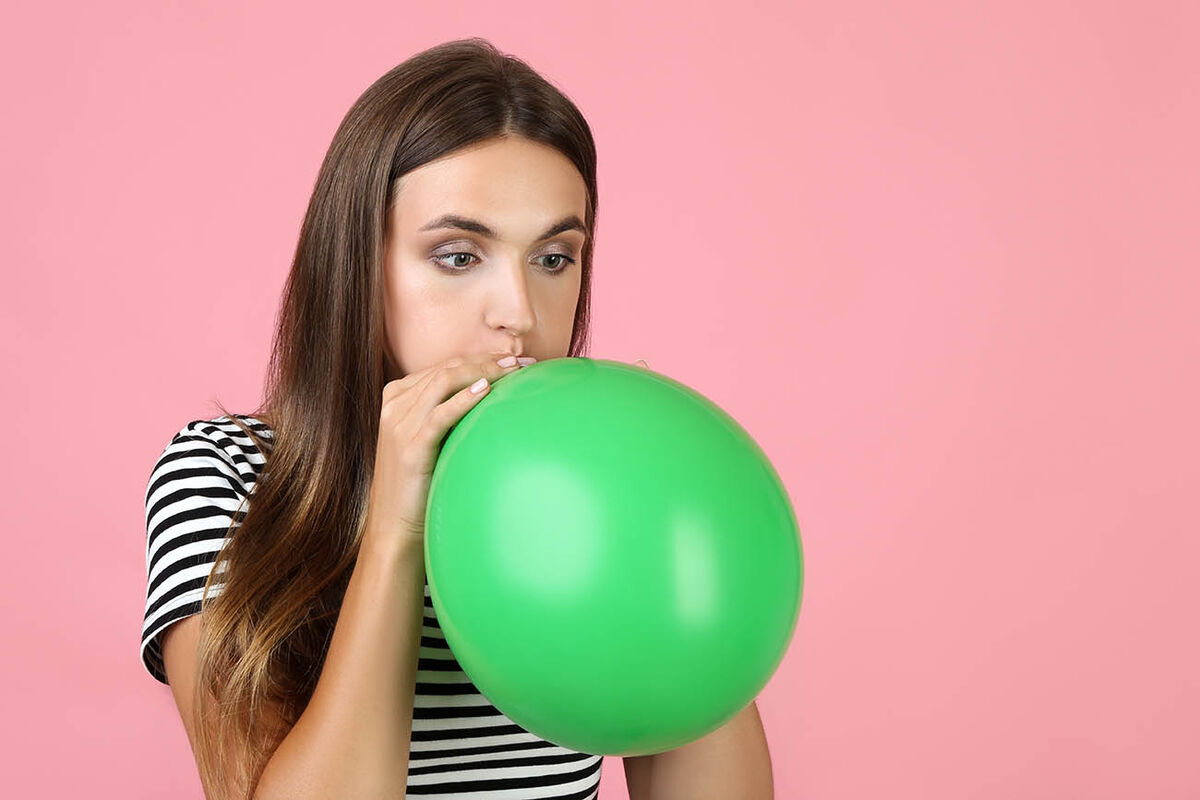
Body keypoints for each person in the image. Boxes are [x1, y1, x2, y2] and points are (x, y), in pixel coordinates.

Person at [140, 37, 645, 800]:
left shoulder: (594, 490)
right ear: (359, 264)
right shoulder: (223, 477)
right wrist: (395, 529)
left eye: (553, 258)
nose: (518, 314)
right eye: (457, 255)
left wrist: (671, 493)